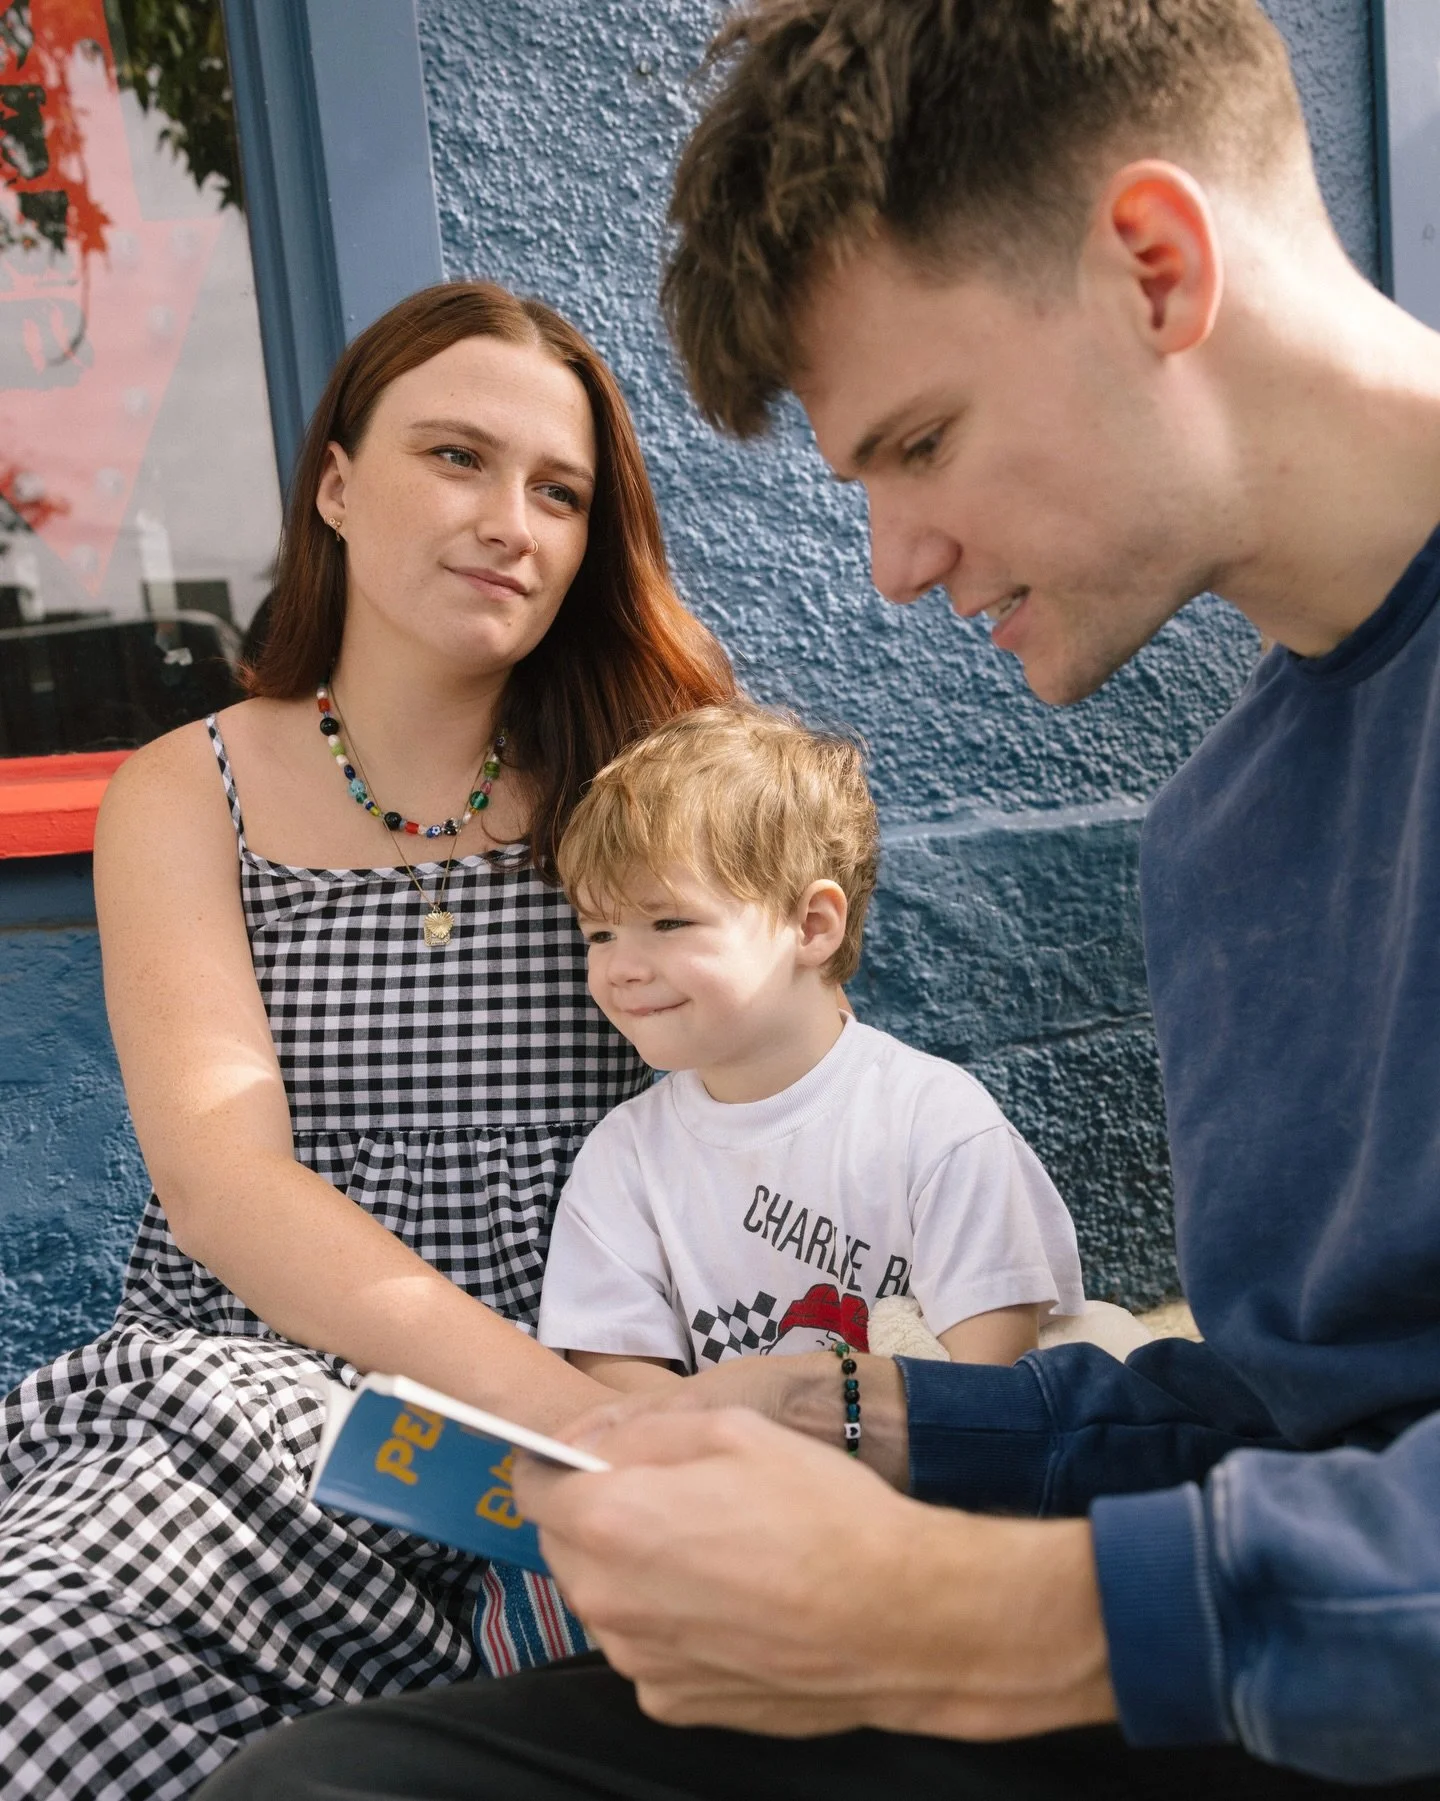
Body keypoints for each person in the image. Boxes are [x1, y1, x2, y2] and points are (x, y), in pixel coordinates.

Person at [196, 2, 1440, 1797]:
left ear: (1157, 268)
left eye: (920, 444)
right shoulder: (1223, 829)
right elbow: (1299, 1413)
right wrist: (882, 1413)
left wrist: (960, 1614)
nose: (895, 564)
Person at [0, 280, 734, 1800]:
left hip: (591, 1435)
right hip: (288, 1429)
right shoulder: (186, 788)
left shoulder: (643, 785)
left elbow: (782, 1093)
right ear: (337, 483)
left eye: (559, 491)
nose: (509, 521)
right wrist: (588, 1423)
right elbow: (225, 1188)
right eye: (455, 457)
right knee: (40, 1684)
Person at [537, 702, 1088, 1387]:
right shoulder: (623, 1160)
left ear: (811, 923)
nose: (621, 966)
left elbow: (990, 1385)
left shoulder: (937, 1122)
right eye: (600, 933)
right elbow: (619, 1375)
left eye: (668, 920)